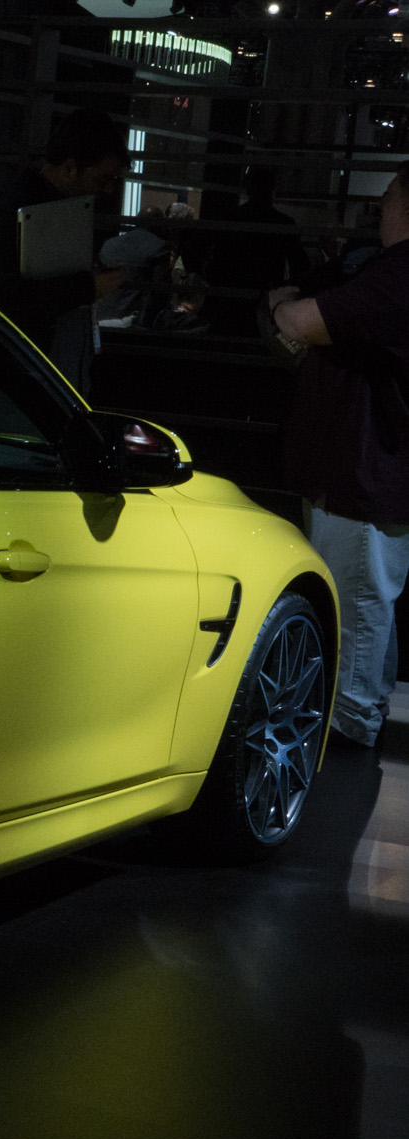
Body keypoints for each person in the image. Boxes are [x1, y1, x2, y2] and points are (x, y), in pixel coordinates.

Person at [270, 160, 409, 748]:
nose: (380, 206)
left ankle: (349, 727)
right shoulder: (388, 272)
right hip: (374, 471)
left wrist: (280, 307)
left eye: (389, 195)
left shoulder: (398, 275)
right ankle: (364, 707)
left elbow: (305, 322)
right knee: (371, 598)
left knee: (355, 601)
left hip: (362, 473)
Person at [0, 107, 128, 391]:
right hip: (19, 379)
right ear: (69, 168)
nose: (108, 190)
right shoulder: (18, 210)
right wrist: (86, 288)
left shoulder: (51, 207)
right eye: (103, 179)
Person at [208, 167, 311, 336]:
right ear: (272, 189)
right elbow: (300, 265)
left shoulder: (232, 219)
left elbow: (218, 262)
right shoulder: (283, 223)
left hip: (232, 300)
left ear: (249, 188)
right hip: (266, 301)